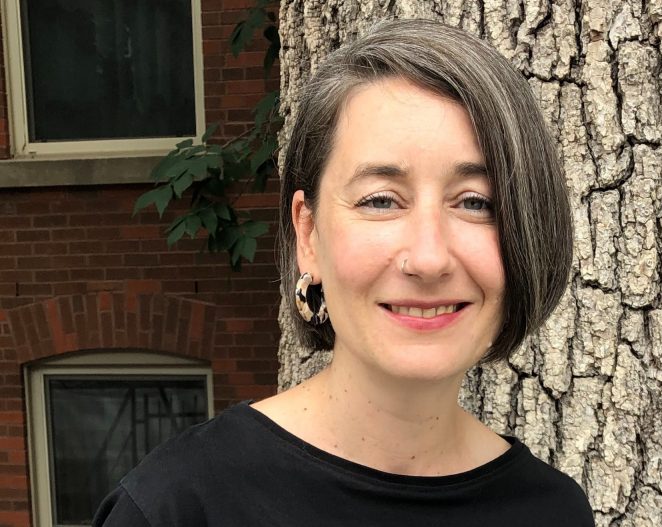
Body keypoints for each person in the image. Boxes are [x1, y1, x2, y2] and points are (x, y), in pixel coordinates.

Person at [94, 18, 594, 526]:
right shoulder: (175, 508)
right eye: (380, 200)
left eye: (475, 202)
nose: (428, 258)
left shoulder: (555, 512)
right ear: (308, 235)